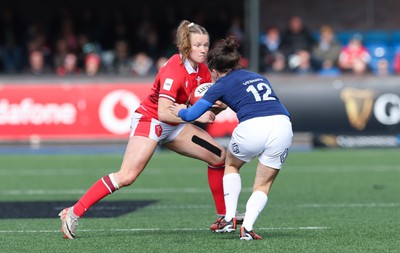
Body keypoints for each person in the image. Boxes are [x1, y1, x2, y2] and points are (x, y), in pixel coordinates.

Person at [58, 20, 235, 239]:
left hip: (176, 124)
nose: (203, 49)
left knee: (218, 156)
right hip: (151, 120)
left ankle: (223, 218)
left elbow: (213, 103)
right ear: (185, 46)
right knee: (127, 176)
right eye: (198, 45)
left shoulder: (203, 71)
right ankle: (72, 213)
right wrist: (198, 114)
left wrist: (218, 107)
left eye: (206, 45)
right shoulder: (174, 69)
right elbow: (162, 113)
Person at [170, 36, 293, 240]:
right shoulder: (259, 77)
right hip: (282, 125)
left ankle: (228, 219)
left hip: (252, 126)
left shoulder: (220, 84)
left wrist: (181, 111)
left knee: (231, 165)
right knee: (263, 185)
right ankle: (248, 228)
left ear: (215, 71)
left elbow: (192, 116)